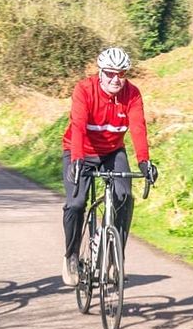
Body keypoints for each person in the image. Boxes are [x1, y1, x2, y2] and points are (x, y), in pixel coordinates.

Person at [60, 46, 158, 286]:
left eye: (121, 74)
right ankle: (71, 256)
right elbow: (79, 126)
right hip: (80, 150)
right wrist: (77, 158)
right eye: (110, 73)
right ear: (100, 72)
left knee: (124, 197)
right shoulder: (84, 89)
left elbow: (137, 127)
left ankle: (115, 258)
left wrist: (144, 161)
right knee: (76, 203)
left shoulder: (132, 94)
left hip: (113, 152)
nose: (116, 79)